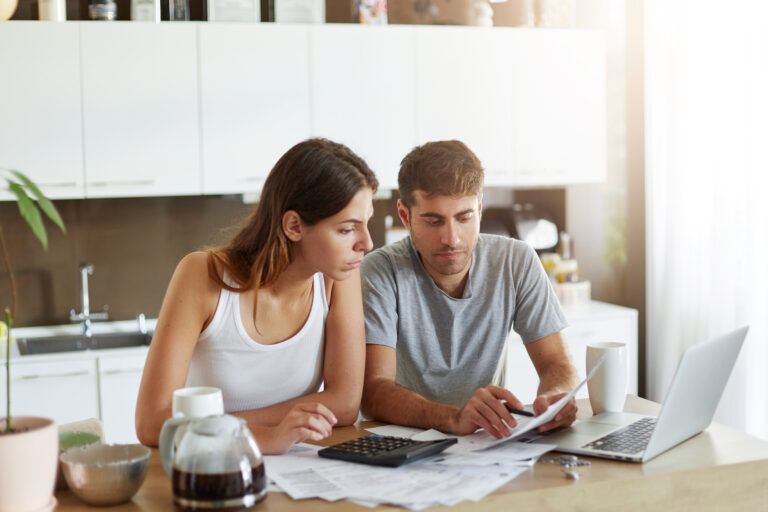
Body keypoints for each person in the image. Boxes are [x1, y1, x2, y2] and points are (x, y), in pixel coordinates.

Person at [136, 138, 377, 454]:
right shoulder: (202, 275)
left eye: (366, 224)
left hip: (296, 467)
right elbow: (152, 422)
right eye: (347, 229)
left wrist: (219, 426)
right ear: (294, 226)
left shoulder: (338, 276)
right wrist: (260, 436)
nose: (367, 243)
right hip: (211, 469)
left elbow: (344, 404)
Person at [361, 140, 578, 439]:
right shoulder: (379, 272)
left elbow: (557, 364)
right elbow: (373, 392)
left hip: (483, 442)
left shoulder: (516, 261)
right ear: (404, 214)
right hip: (402, 442)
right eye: (434, 220)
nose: (452, 238)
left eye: (464, 218)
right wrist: (453, 417)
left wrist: (556, 398)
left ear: (479, 207)